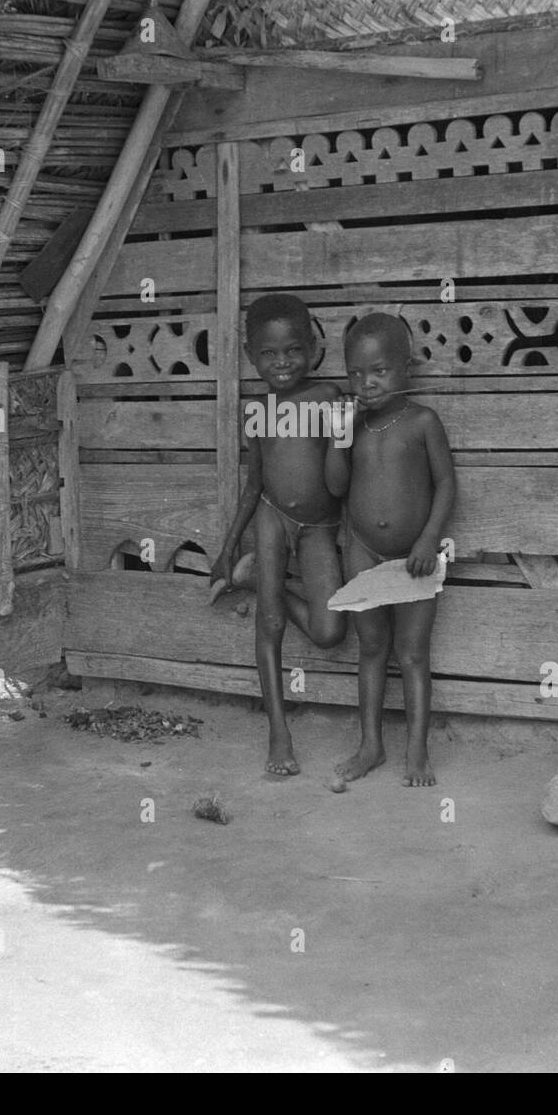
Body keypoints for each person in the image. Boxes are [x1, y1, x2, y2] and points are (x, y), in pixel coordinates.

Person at [211, 293, 347, 776]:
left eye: (292, 350)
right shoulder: (257, 410)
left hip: (319, 527)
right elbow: (255, 483)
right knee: (269, 626)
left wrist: (343, 433)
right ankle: (278, 733)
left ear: (312, 349)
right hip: (270, 517)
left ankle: (255, 582)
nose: (282, 362)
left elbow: (341, 477)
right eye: (268, 354)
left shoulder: (329, 399)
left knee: (330, 632)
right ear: (251, 356)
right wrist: (228, 546)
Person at [325, 313, 456, 787]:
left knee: (413, 653)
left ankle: (416, 750)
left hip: (415, 556)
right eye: (356, 373)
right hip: (361, 548)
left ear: (407, 369)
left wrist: (428, 540)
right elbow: (336, 487)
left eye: (379, 371)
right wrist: (341, 434)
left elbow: (446, 484)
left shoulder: (422, 421)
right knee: (372, 648)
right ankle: (371, 746)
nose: (367, 382)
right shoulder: (351, 426)